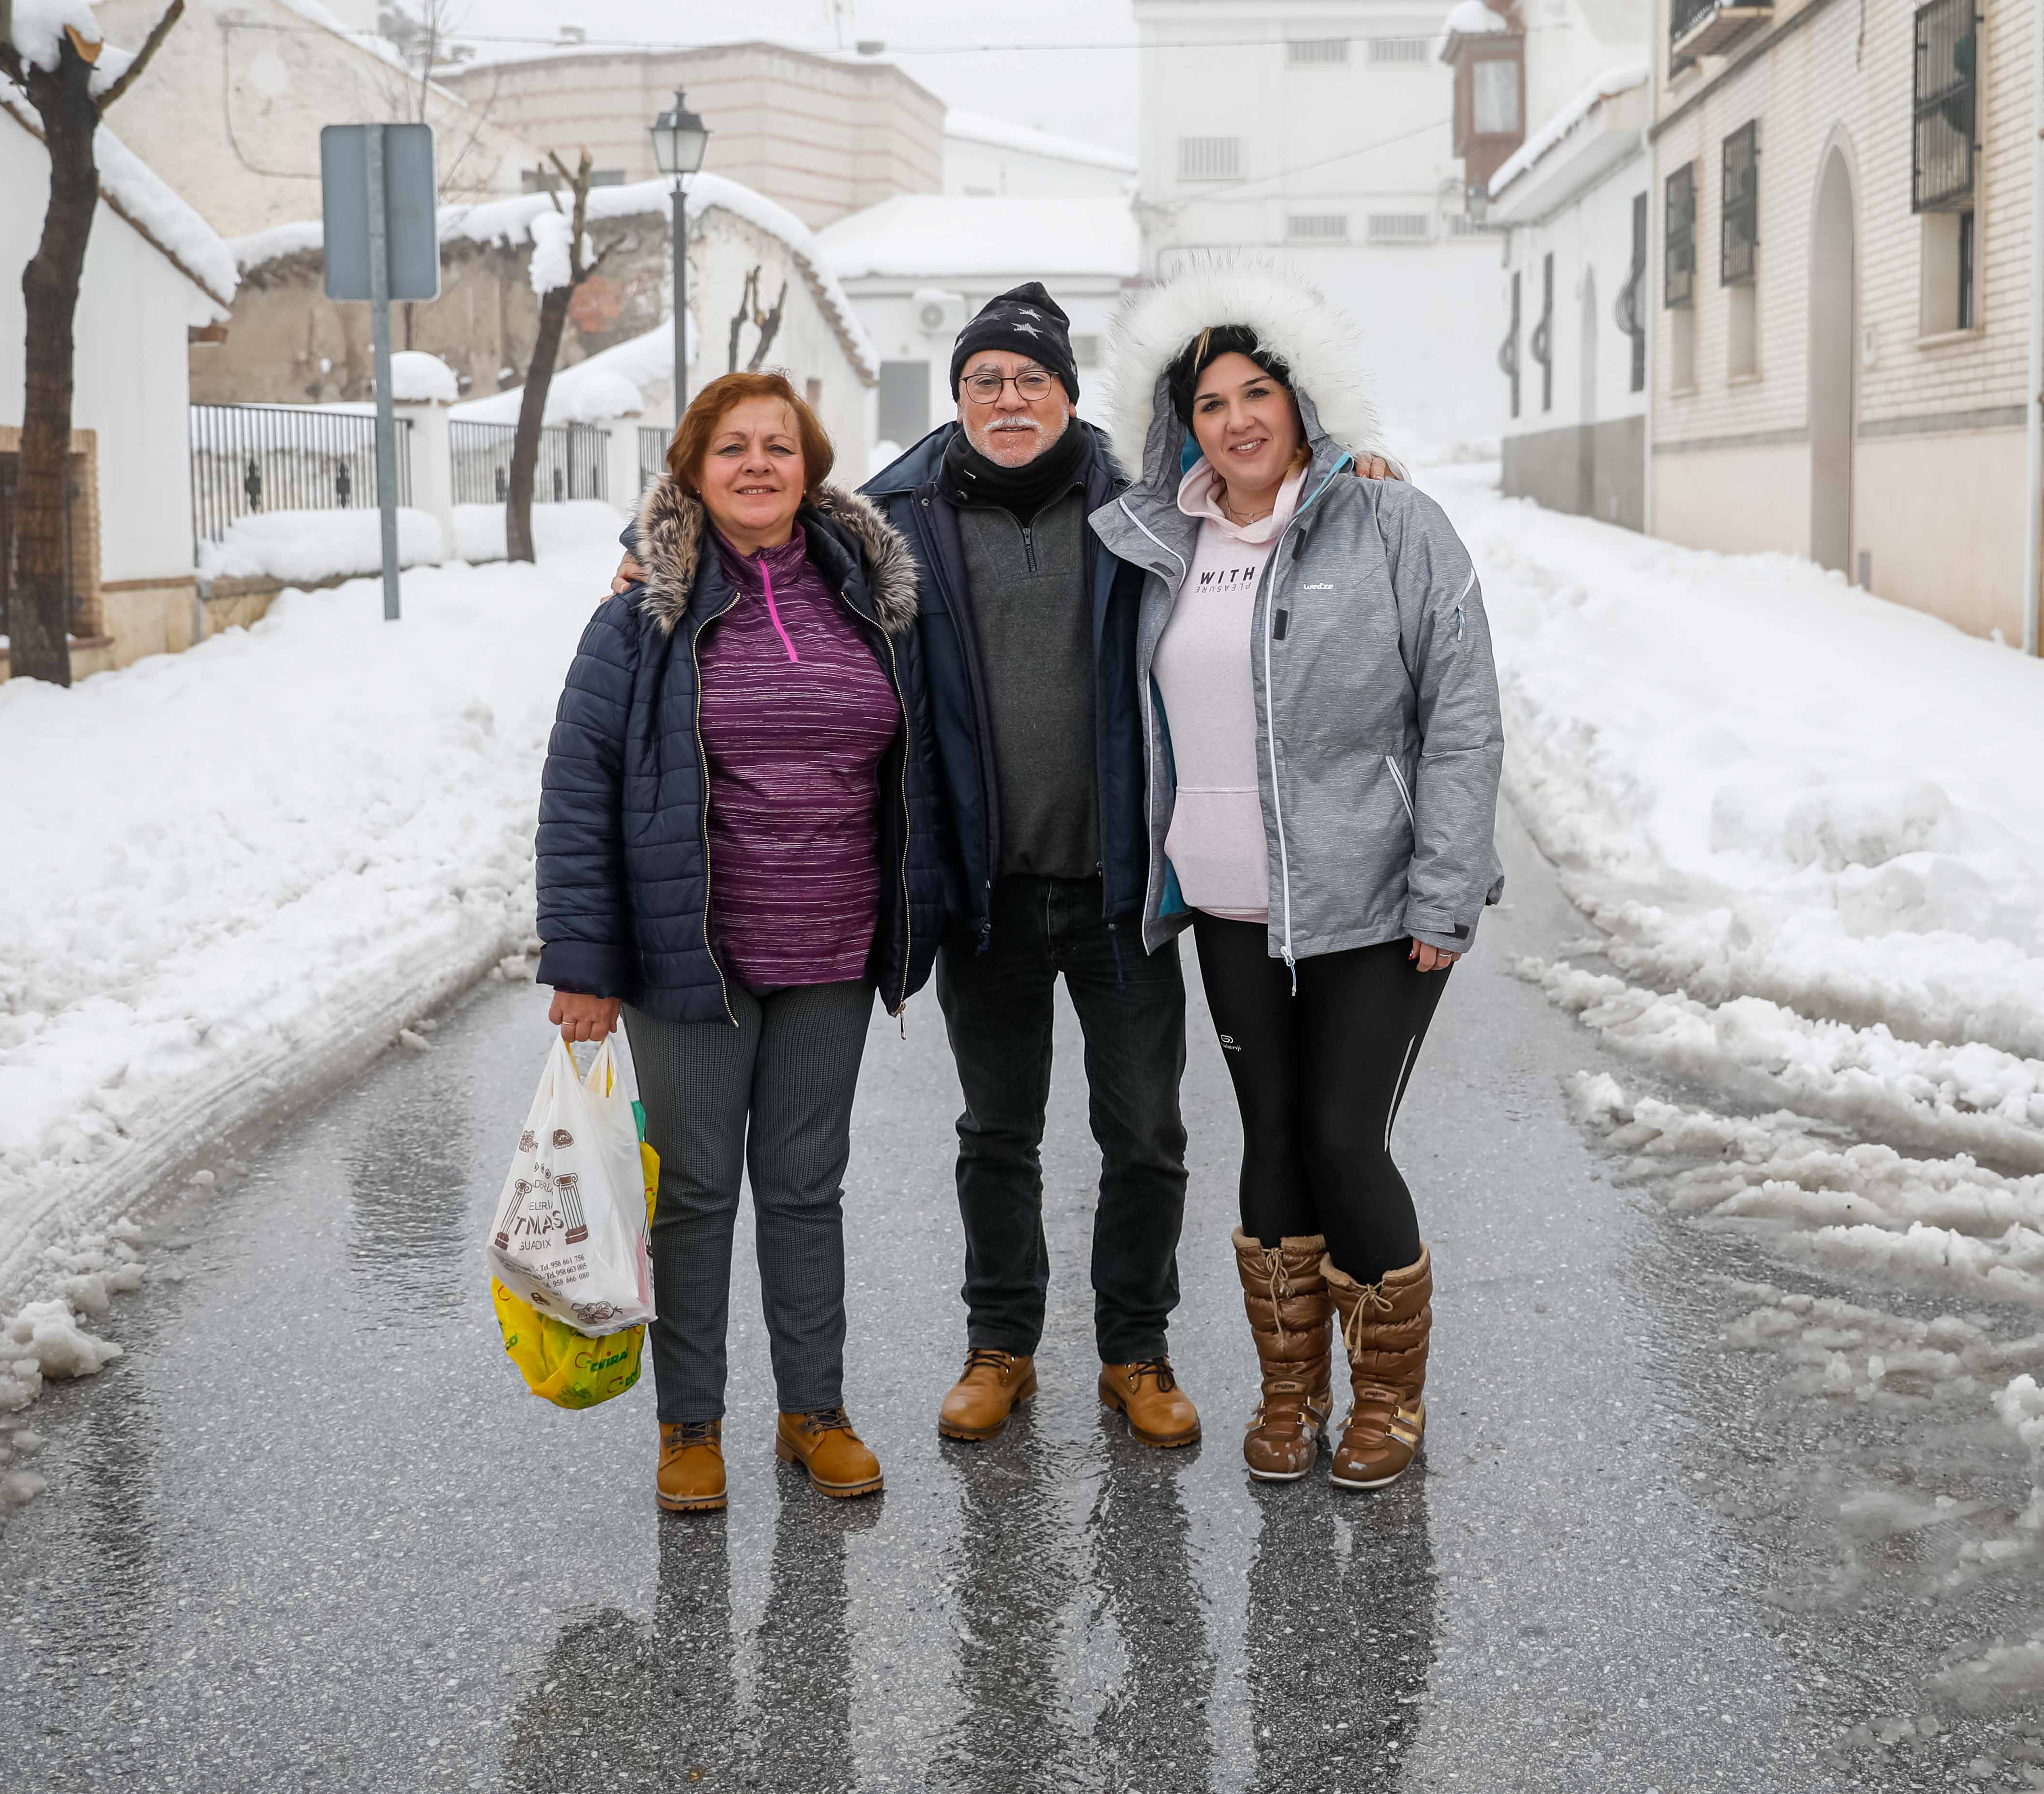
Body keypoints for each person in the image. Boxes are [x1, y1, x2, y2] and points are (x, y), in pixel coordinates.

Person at [855, 285, 1409, 1452]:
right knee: (996, 1131)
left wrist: (1357, 472)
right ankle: (1000, 1345)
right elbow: (757, 543)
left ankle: (1134, 1350)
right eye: (985, 381)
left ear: (1067, 391)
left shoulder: (1148, 505)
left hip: (1124, 888)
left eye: (1032, 379)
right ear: (957, 397)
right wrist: (633, 561)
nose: (1010, 399)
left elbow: (1273, 504)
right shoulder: (888, 515)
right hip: (986, 894)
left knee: (1145, 1135)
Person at [1090, 264, 1504, 1492]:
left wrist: (1446, 886)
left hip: (1370, 901)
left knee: (1340, 1135)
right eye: (1210, 403)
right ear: (1183, 424)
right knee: (1269, 1139)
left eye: (1256, 391)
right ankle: (1289, 1393)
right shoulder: (1161, 540)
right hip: (1223, 901)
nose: (1236, 421)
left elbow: (1463, 714)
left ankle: (1386, 1399)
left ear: (1301, 400)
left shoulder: (1391, 524)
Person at [536, 370, 946, 1515]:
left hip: (832, 949)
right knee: (699, 1194)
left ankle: (816, 1412)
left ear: (811, 468)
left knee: (809, 1188)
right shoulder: (640, 614)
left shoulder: (873, 600)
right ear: (693, 471)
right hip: (691, 958)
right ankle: (691, 1426)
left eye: (780, 446)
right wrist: (584, 963)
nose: (758, 464)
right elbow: (580, 791)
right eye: (732, 448)